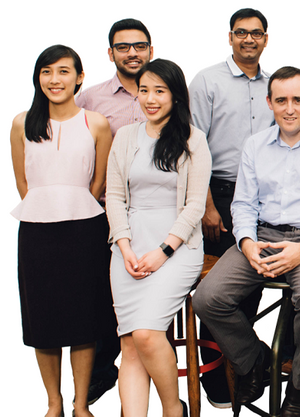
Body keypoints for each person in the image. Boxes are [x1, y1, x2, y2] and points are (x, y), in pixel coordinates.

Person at [193, 66, 300, 417]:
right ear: (269, 103)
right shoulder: (255, 145)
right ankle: (255, 360)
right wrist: (246, 242)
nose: (290, 108)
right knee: (207, 299)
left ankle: (299, 387)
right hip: (263, 236)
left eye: (298, 100)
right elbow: (243, 204)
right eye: (281, 100)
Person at [10, 44, 113, 417]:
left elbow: (99, 183)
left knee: (84, 319)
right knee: (44, 320)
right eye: (47, 71)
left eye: (64, 71)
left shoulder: (95, 123)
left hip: (84, 231)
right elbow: (23, 183)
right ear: (38, 78)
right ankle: (53, 403)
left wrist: (71, 205)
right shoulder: (22, 123)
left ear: (79, 77)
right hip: (37, 232)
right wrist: (49, 206)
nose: (55, 79)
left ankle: (80, 404)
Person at [106, 58, 211, 417]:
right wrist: (123, 246)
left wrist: (163, 251)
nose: (150, 99)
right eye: (144, 90)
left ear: (175, 96)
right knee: (130, 344)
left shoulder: (194, 139)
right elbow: (114, 196)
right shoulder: (125, 136)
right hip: (129, 247)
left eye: (159, 91)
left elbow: (195, 205)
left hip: (177, 247)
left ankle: (172, 409)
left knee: (147, 335)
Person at [188, 8, 275, 406]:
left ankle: (247, 366)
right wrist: (207, 204)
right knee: (216, 292)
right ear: (230, 37)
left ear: (265, 39)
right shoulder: (207, 81)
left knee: (249, 289)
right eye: (241, 32)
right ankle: (219, 385)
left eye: (256, 33)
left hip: (263, 199)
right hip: (219, 196)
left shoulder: (274, 84)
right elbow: (193, 146)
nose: (249, 39)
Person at [74, 17, 153, 405]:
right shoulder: (90, 99)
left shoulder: (168, 93)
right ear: (110, 53)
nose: (132, 53)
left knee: (147, 295)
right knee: (102, 294)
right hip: (105, 210)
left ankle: (152, 368)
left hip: (156, 213)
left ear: (151, 50)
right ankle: (104, 370)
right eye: (123, 47)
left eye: (139, 46)